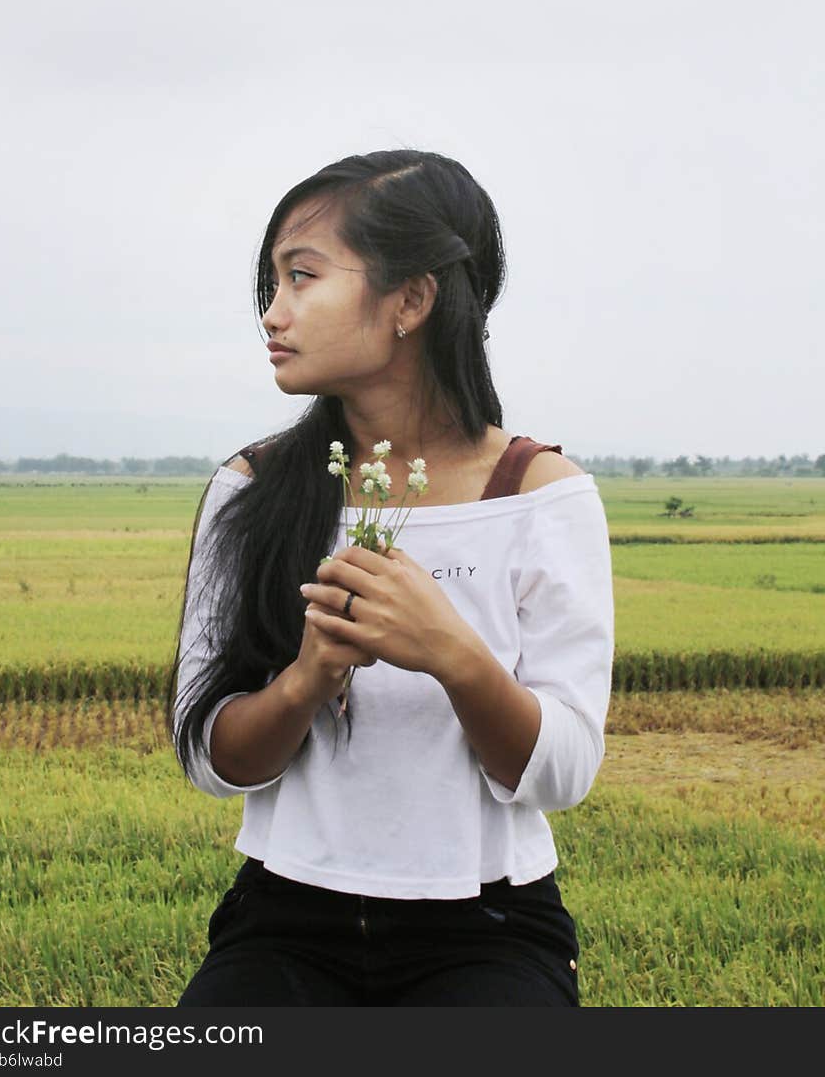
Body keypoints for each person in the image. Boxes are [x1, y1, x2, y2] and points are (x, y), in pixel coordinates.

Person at [168, 148, 614, 1006]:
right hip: (282, 919)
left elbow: (564, 775)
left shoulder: (540, 496)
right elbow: (210, 757)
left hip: (489, 928)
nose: (272, 312)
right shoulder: (252, 490)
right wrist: (305, 680)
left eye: (302, 277)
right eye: (271, 283)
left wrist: (451, 652)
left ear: (412, 299)